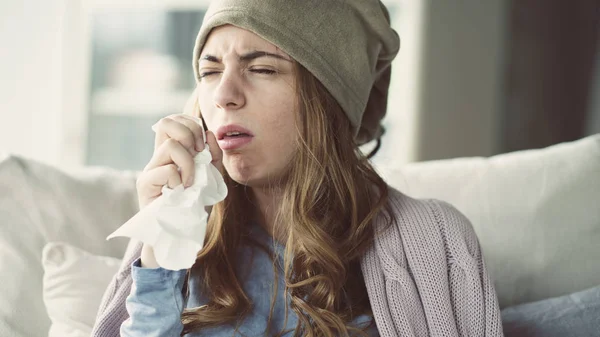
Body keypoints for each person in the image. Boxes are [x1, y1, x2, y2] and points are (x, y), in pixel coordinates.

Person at [91, 0, 504, 336]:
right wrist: (162, 239)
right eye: (209, 71)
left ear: (327, 102)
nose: (224, 95)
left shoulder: (434, 240)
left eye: (262, 68)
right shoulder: (180, 234)